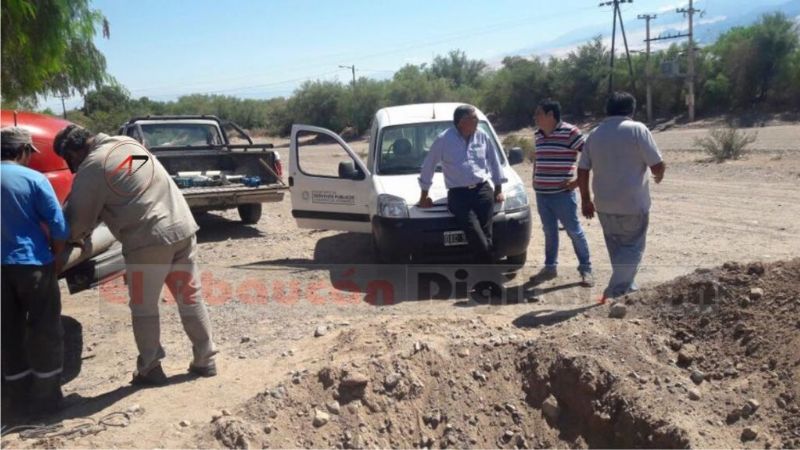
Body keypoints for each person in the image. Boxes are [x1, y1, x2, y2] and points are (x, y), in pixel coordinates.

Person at [53, 124, 217, 385]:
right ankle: (206, 359)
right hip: (181, 227)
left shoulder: (93, 166)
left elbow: (76, 224)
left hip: (148, 240)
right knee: (189, 297)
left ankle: (150, 367)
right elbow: (131, 186)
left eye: (70, 160)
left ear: (73, 152)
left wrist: (69, 240)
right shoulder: (126, 145)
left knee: (144, 306)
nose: (72, 165)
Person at [1, 127, 70, 414]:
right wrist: (55, 256)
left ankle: (16, 397)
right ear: (22, 151)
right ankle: (47, 399)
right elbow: (59, 226)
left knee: (7, 330)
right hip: (32, 266)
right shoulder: (33, 178)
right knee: (45, 328)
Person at [577, 92, 666, 302]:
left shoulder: (594, 134)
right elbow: (657, 165)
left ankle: (628, 287)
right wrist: (659, 174)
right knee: (633, 248)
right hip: (632, 204)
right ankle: (615, 291)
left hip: (604, 204)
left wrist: (586, 200)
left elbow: (582, 170)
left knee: (617, 248)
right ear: (631, 110)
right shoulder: (637, 129)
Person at [418, 105, 507, 263]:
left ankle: (484, 277)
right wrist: (424, 195)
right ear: (462, 121)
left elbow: (494, 162)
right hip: (459, 194)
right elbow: (428, 166)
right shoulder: (444, 140)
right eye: (474, 118)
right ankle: (490, 267)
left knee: (486, 233)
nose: (478, 120)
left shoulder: (482, 136)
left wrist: (498, 189)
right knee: (475, 232)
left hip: (482, 190)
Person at [530, 100, 593, 287]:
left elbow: (589, 156)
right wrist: (535, 177)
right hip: (542, 194)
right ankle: (550, 267)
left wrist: (575, 183)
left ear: (551, 115)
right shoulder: (538, 135)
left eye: (538, 113)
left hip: (562, 195)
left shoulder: (570, 132)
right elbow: (538, 159)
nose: (535, 117)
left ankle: (586, 269)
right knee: (549, 232)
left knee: (574, 231)